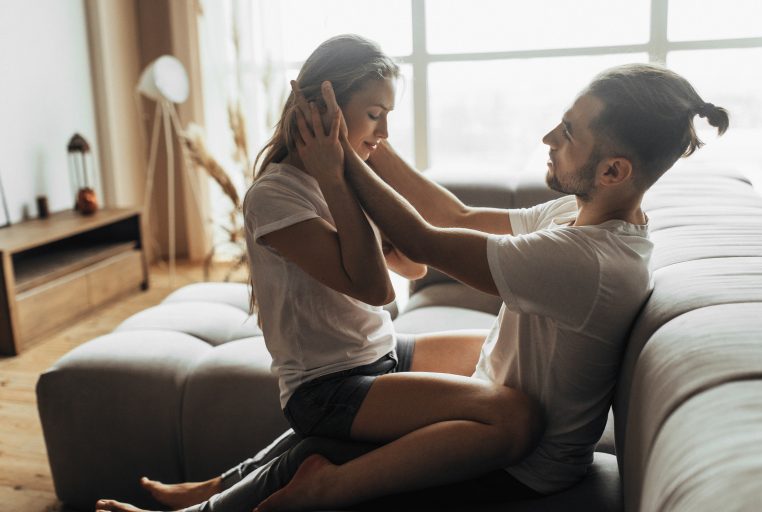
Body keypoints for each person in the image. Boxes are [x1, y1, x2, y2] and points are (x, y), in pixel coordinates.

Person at [97, 60, 729, 511]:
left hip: (517, 463)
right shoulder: (582, 214)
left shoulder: (588, 262)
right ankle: (218, 486)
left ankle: (295, 494)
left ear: (614, 168)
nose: (548, 139)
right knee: (390, 373)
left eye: (568, 134)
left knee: (334, 434)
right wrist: (366, 146)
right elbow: (451, 217)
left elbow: (424, 243)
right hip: (501, 392)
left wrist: (343, 156)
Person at [95, 34, 542, 512]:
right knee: (511, 416)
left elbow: (414, 265)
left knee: (512, 346)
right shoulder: (276, 196)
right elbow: (374, 288)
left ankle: (215, 486)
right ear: (325, 109)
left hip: (380, 352)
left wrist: (358, 164)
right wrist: (336, 176)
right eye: (375, 115)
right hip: (328, 388)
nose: (385, 132)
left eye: (388, 116)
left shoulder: (352, 177)